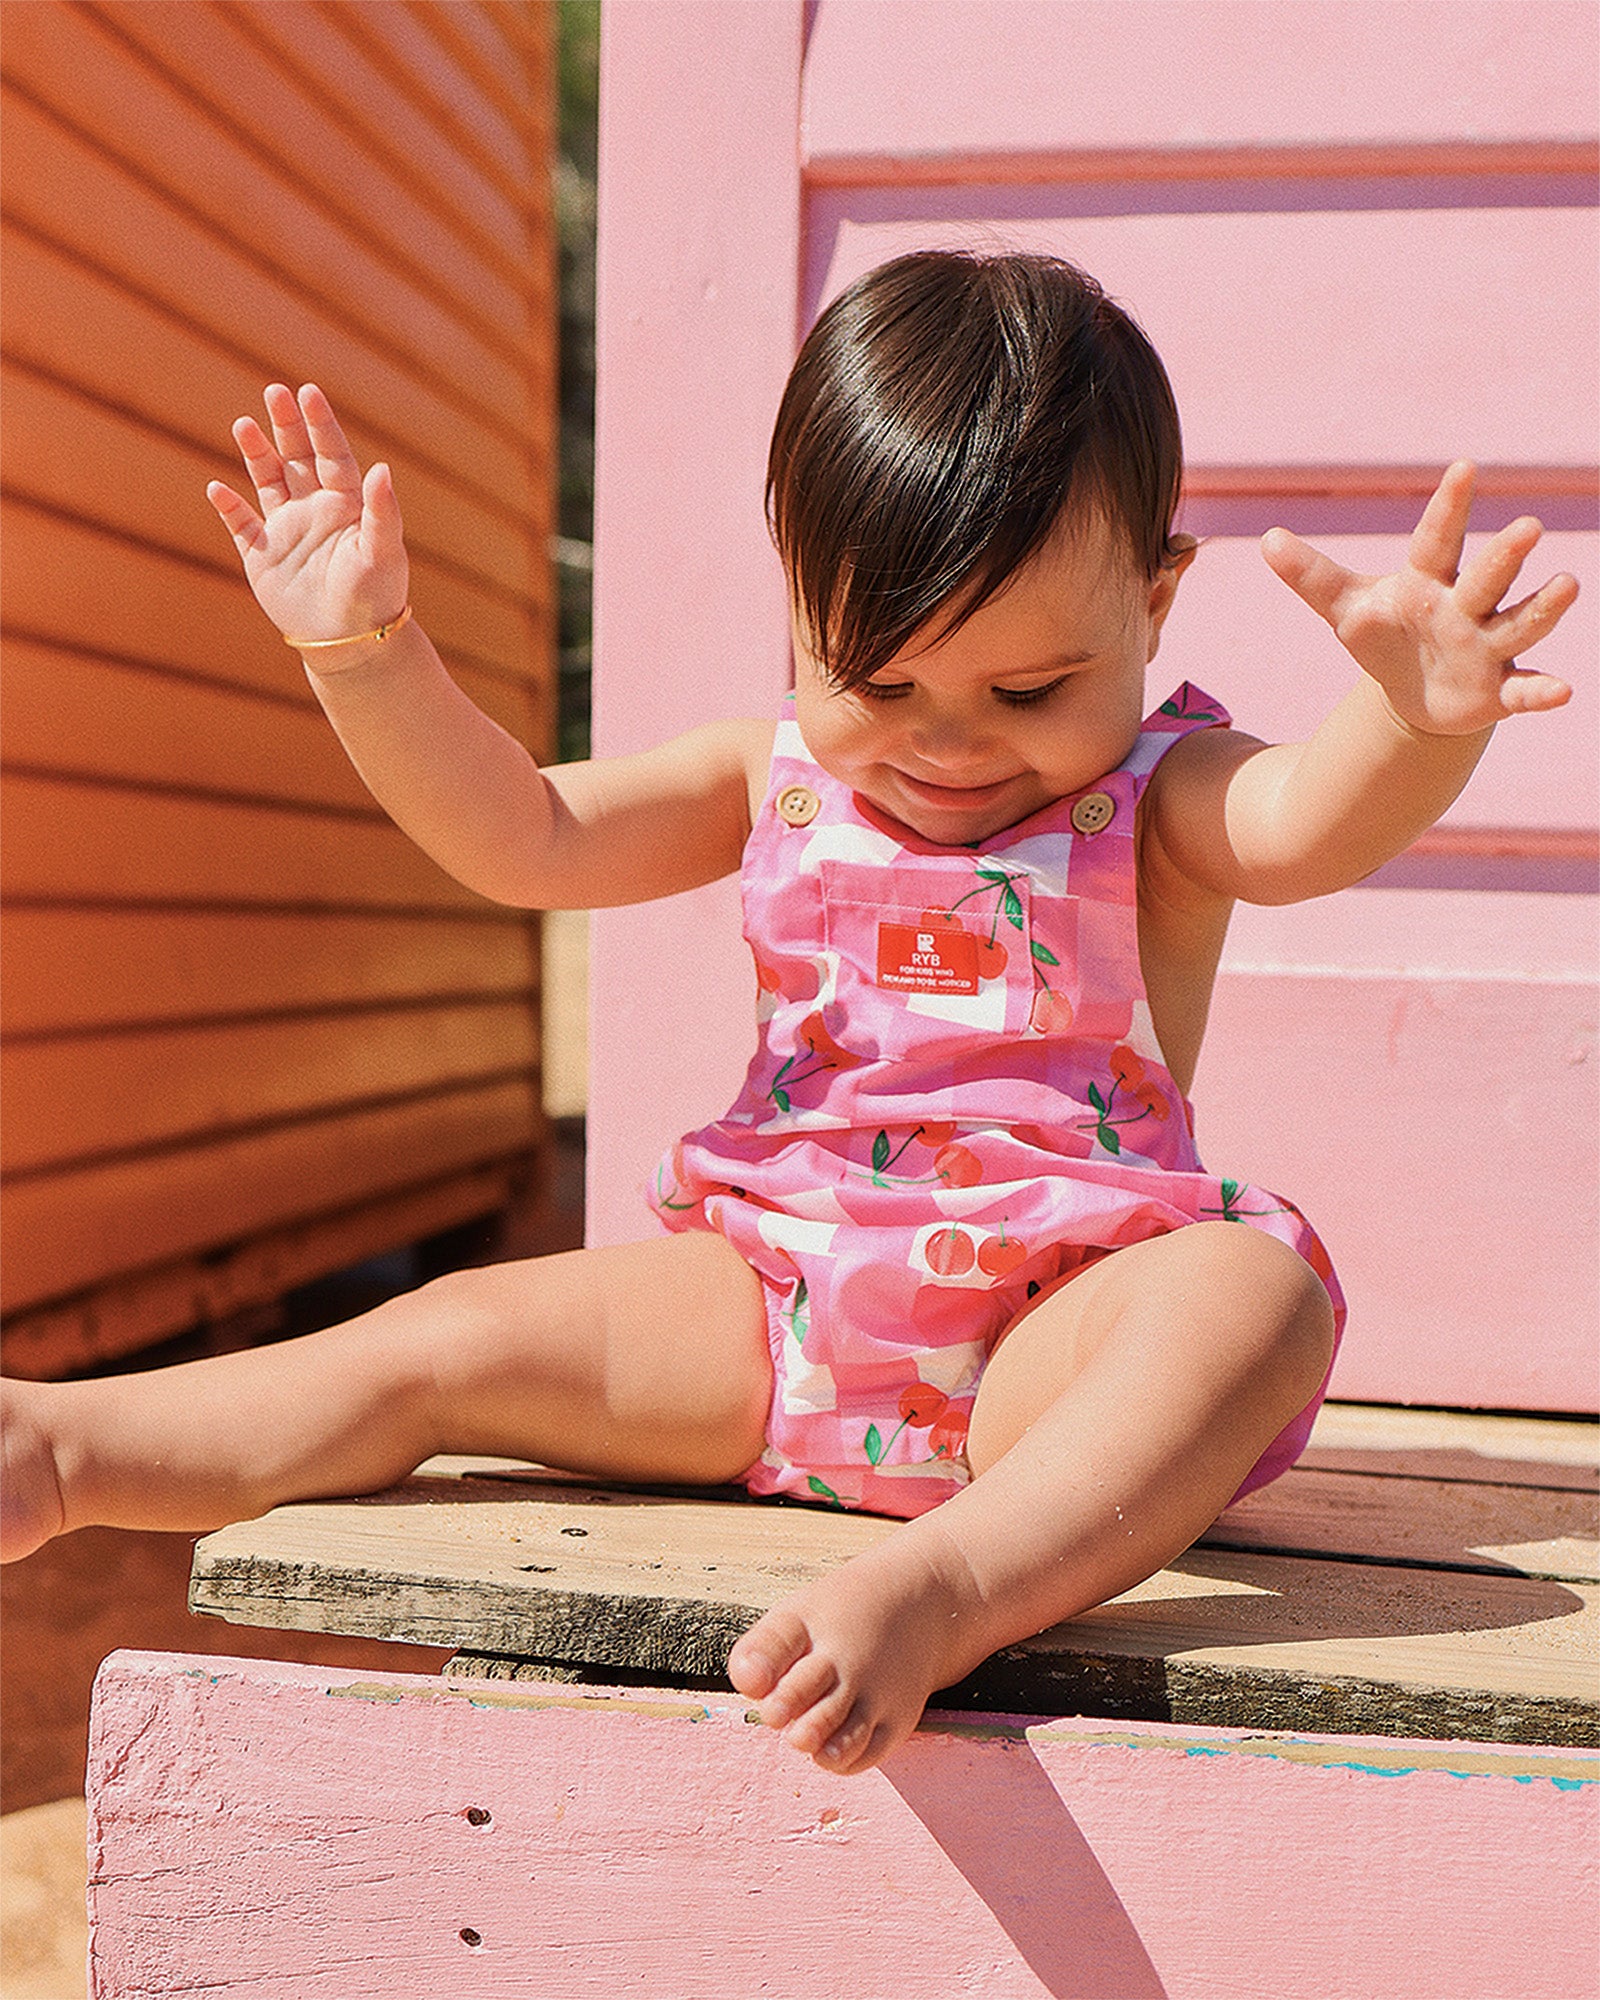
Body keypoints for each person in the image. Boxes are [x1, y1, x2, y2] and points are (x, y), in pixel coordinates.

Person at [0, 251, 1577, 1778]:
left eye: (1027, 692)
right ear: (799, 597)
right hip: (768, 1308)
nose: (950, 744)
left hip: (1045, 1336)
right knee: (444, 1335)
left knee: (1248, 1296)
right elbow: (521, 837)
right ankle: (61, 1451)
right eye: (880, 682)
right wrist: (364, 650)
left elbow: (1311, 825)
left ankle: (954, 1586)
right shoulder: (768, 779)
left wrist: (1411, 723)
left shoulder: (1163, 796)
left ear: (1159, 594)